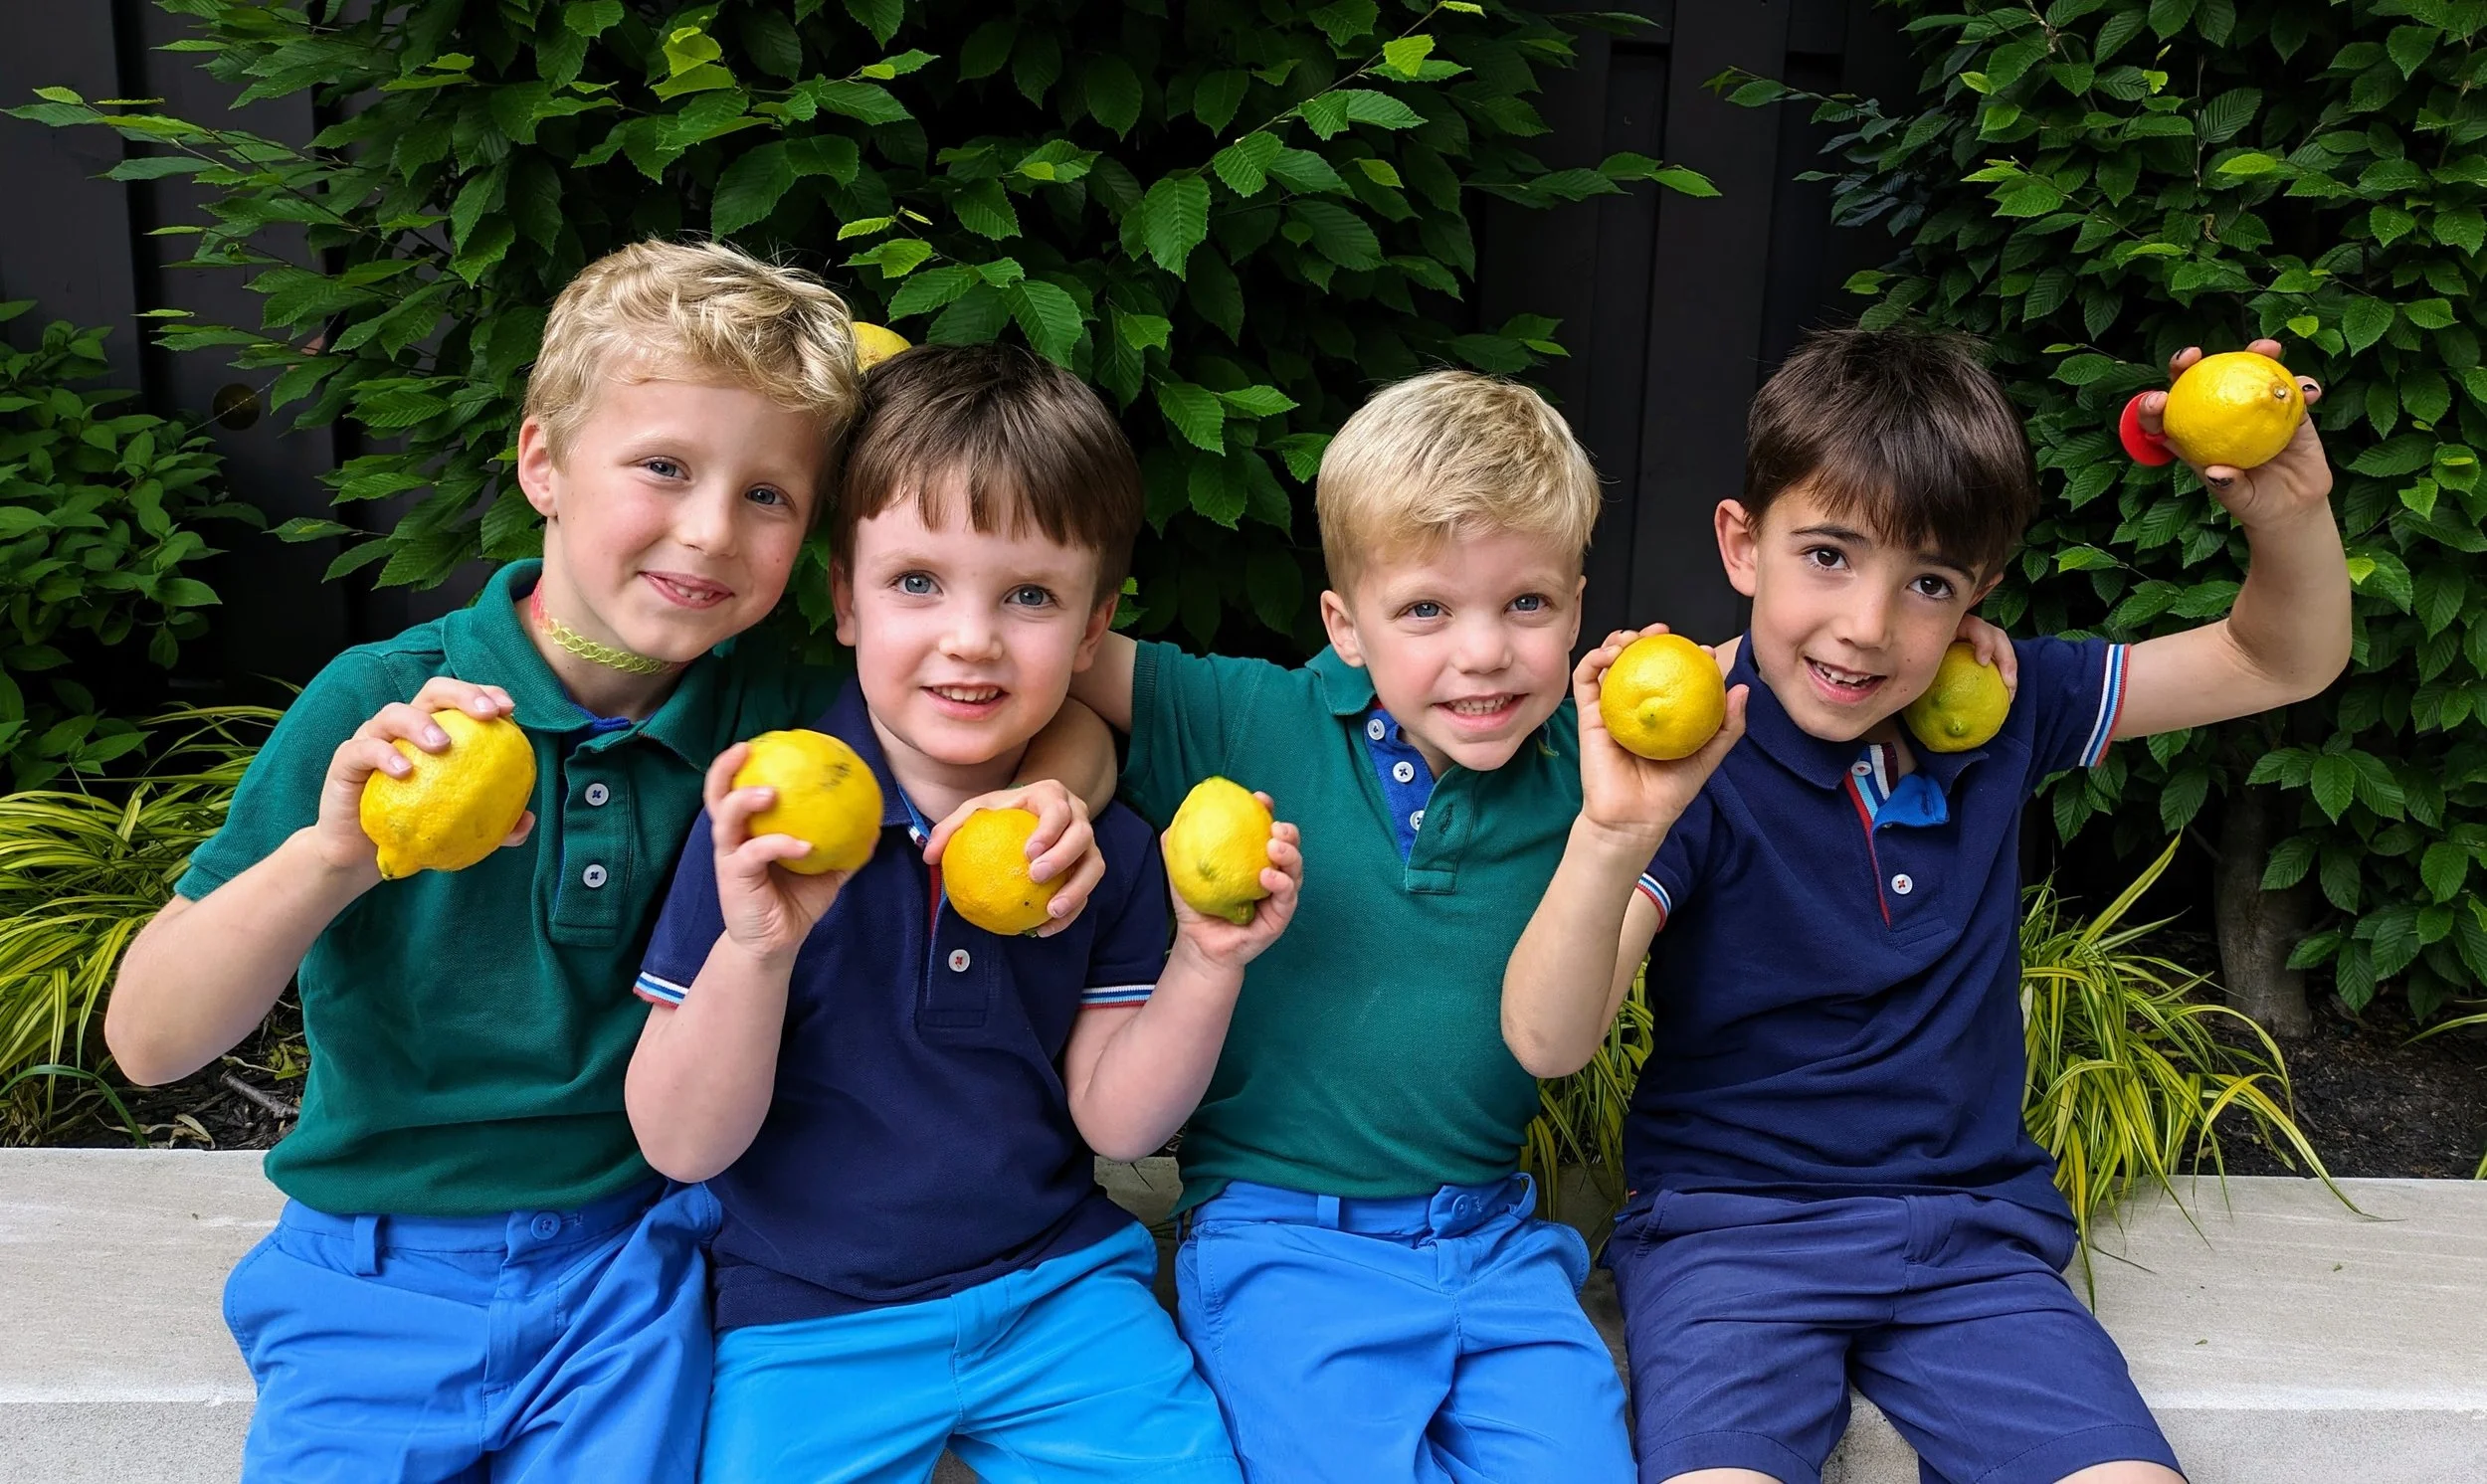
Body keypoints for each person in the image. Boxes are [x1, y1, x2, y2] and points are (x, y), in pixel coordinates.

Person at [105, 241, 1105, 1481]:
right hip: (374, 1272)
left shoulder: (780, 728)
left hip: (638, 1269)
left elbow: (1046, 685)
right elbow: (150, 1043)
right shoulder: (393, 712)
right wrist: (329, 857)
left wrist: (1061, 779)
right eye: (665, 467)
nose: (708, 530)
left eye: (768, 496)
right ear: (543, 463)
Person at [1505, 329, 2343, 1484]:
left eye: (1929, 583)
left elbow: (2275, 661)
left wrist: (2288, 506)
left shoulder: (2005, 702)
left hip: (1971, 1248)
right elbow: (1552, 1042)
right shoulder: (1688, 750)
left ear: (1978, 594)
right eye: (1830, 556)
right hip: (1733, 1239)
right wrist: (1615, 831)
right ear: (1742, 544)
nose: (1867, 624)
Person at [627, 342, 1298, 1482]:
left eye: (1029, 595)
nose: (971, 637)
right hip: (808, 1314)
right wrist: (755, 948)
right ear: (844, 598)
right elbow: (682, 1143)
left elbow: (1118, 1124)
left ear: (1093, 633)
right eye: (916, 582)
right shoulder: (766, 827)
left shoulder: (1106, 850)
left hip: (1055, 1291)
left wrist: (1208, 960)